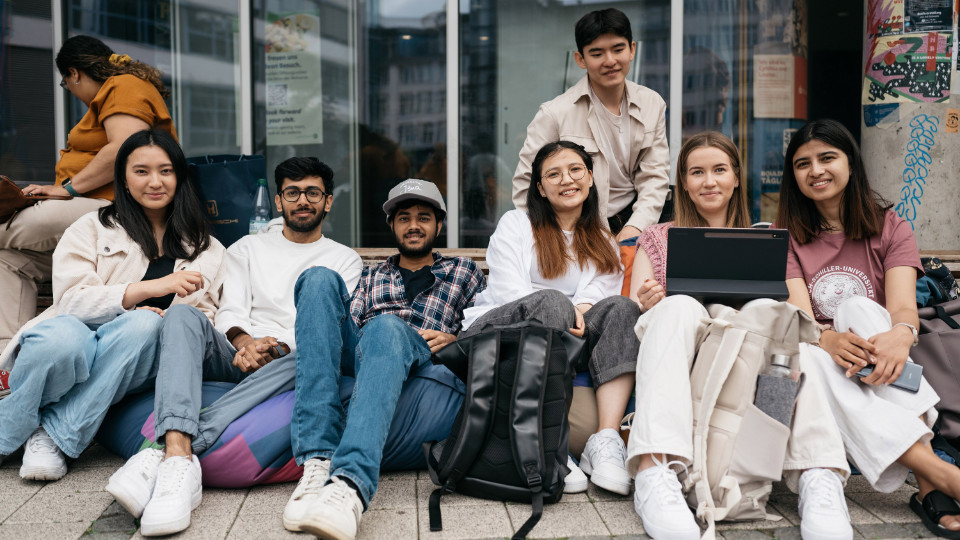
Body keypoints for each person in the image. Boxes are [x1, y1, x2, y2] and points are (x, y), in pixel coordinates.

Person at [105, 157, 362, 536]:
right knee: (182, 315)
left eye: (313, 193)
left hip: (292, 359)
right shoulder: (246, 247)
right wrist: (245, 343)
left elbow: (325, 328)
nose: (303, 201)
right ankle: (177, 453)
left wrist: (275, 349)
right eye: (292, 193)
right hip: (236, 352)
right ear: (278, 201)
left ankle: (167, 452)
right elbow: (231, 309)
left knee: (311, 356)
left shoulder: (344, 259)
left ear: (328, 201)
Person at [626, 131, 853, 540]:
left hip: (748, 356)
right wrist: (648, 301)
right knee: (678, 306)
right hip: (683, 351)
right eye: (697, 172)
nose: (709, 181)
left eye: (719, 170)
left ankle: (818, 473)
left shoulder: (766, 238)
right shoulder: (658, 238)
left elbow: (794, 312)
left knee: (786, 326)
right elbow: (635, 309)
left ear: (735, 178)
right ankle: (654, 469)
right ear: (684, 183)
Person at [0, 129, 222, 482]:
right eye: (141, 171)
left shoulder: (206, 249)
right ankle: (24, 433)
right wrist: (148, 289)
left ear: (180, 177)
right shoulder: (91, 227)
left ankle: (51, 435)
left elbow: (204, 319)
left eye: (165, 171)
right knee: (63, 337)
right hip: (74, 339)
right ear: (124, 179)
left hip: (138, 355)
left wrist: (162, 318)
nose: (155, 182)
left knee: (144, 326)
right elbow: (70, 301)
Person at [779, 119, 960, 538]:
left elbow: (901, 307)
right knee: (808, 351)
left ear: (850, 162)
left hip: (882, 359)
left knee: (860, 308)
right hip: (823, 361)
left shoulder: (890, 225)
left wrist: (901, 335)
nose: (816, 170)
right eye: (803, 164)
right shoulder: (784, 236)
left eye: (827, 158)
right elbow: (800, 316)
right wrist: (828, 339)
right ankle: (935, 477)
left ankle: (931, 477)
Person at [281, 178, 485, 540]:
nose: (414, 225)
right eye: (404, 218)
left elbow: (486, 327)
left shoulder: (463, 271)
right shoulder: (371, 274)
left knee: (387, 325)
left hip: (425, 357)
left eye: (424, 217)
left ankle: (349, 485)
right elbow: (347, 327)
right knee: (318, 279)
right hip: (371, 350)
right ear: (392, 225)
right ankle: (317, 462)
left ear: (439, 225)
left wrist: (457, 339)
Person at [464, 140, 639, 495]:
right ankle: (551, 445)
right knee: (552, 302)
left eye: (575, 170)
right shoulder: (517, 224)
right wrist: (565, 307)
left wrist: (581, 308)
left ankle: (605, 442)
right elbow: (509, 292)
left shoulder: (601, 237)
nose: (567, 179)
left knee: (624, 308)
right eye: (554, 174)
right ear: (541, 188)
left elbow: (601, 291)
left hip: (567, 337)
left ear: (589, 178)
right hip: (499, 335)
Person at [0, 35, 178, 351]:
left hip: (115, 208)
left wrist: (67, 188)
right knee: (10, 259)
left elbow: (125, 147)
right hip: (92, 212)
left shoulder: (123, 85)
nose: (70, 90)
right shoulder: (114, 93)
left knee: (16, 227)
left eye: (66, 84)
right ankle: (6, 356)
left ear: (74, 74)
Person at [512, 8, 669, 242]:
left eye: (618, 49)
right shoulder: (555, 113)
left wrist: (635, 228)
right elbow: (526, 185)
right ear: (580, 59)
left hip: (635, 219)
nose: (610, 61)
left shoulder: (651, 103)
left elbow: (654, 177)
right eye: (597, 53)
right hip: (575, 226)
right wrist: (550, 238)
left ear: (632, 49)